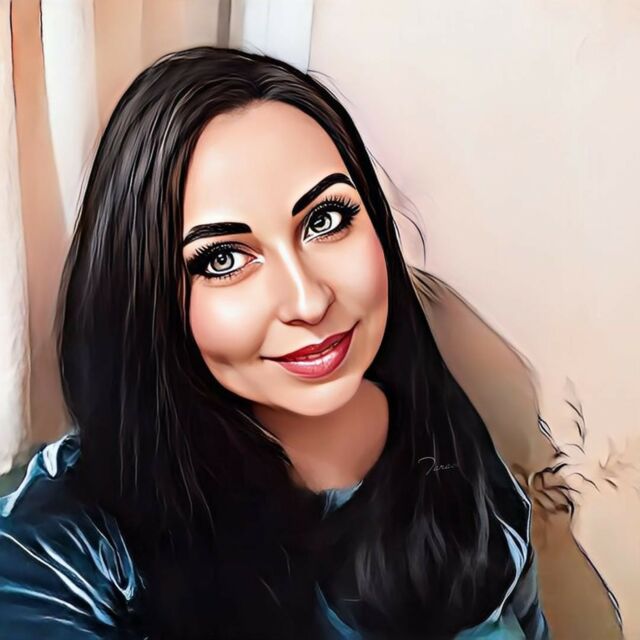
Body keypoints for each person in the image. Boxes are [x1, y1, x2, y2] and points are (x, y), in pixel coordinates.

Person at [0, 47, 550, 639]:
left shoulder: (454, 440)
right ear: (143, 296)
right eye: (223, 259)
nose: (308, 301)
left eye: (325, 220)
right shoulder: (64, 547)